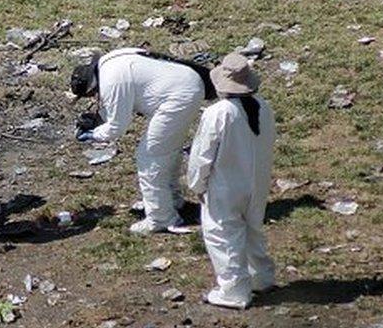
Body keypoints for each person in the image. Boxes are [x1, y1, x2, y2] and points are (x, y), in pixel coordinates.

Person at [71, 48, 205, 235]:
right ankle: (173, 200)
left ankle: (161, 218)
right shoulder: (109, 62)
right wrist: (99, 119)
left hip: (178, 97)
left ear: (92, 88)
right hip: (187, 83)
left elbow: (117, 127)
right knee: (167, 150)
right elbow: (129, 95)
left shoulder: (111, 83)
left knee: (149, 157)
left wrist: (93, 134)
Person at [187, 53, 277, 309]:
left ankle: (234, 290)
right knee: (252, 229)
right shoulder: (264, 107)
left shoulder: (218, 113)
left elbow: (202, 155)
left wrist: (197, 185)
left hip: (225, 183)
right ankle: (261, 276)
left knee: (222, 233)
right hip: (257, 181)